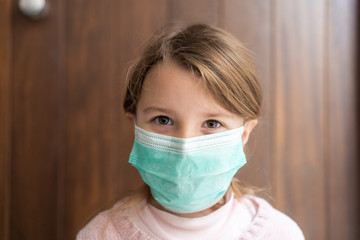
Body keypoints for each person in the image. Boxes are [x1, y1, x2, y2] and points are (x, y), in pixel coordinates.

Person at [77, 24, 305, 240]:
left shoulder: (279, 234)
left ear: (244, 133)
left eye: (212, 123)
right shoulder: (101, 234)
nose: (185, 145)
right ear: (135, 127)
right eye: (163, 119)